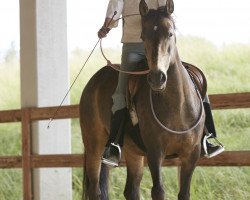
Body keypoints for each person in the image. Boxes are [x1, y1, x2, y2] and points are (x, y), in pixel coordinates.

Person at [98, 0, 224, 167]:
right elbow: (115, 9)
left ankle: (207, 136)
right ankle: (114, 145)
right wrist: (106, 26)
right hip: (134, 46)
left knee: (195, 81)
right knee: (120, 93)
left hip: (163, 41)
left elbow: (166, 6)